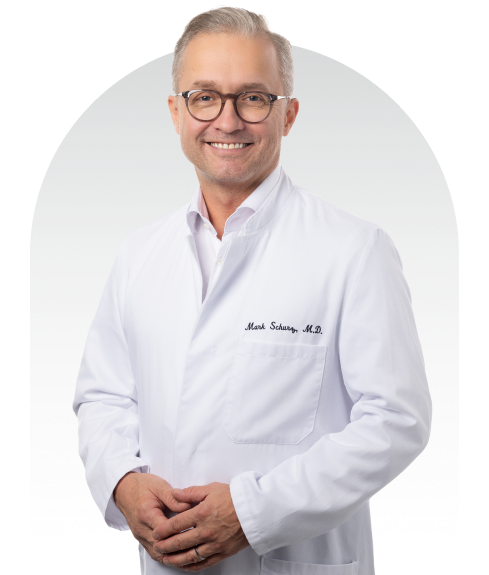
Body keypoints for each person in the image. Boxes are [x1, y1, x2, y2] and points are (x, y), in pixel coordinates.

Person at [72, 6, 433, 575]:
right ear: (175, 113)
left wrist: (253, 512)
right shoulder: (139, 252)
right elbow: (102, 397)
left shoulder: (355, 249)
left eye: (254, 98)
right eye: (204, 97)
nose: (228, 120)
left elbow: (396, 420)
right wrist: (123, 483)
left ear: (288, 114)